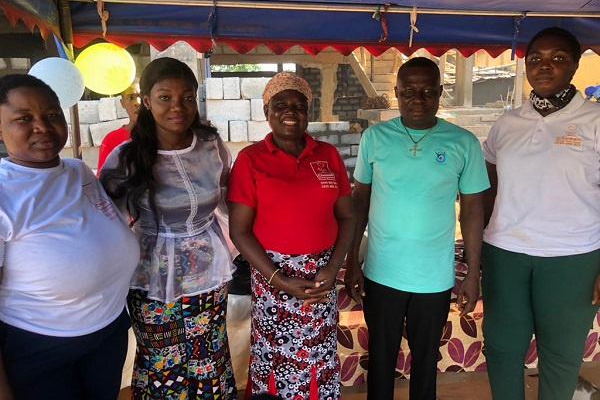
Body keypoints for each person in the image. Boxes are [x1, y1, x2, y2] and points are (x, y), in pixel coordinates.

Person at [344, 57, 490, 400]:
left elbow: (472, 209)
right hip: (381, 273)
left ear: (440, 93)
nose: (418, 98)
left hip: (434, 277)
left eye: (427, 90)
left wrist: (471, 272)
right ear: (396, 93)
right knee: (380, 360)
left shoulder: (463, 142)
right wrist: (353, 261)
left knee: (426, 363)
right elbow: (359, 202)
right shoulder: (375, 138)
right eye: (409, 90)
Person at [100, 57, 237, 399]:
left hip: (207, 271)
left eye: (187, 97)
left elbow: (227, 200)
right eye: (165, 97)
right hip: (150, 276)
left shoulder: (210, 146)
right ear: (146, 101)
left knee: (209, 355)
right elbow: (106, 218)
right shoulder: (126, 157)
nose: (178, 106)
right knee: (163, 361)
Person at [0, 74, 139, 399]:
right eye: (24, 118)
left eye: (51, 115)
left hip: (107, 331)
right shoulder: (5, 191)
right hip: (41, 345)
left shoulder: (77, 170)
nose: (42, 127)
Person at [482, 27, 600, 400]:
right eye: (536, 59)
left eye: (557, 58)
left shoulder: (595, 121)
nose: (544, 66)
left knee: (561, 356)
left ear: (575, 65)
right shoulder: (508, 122)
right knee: (502, 349)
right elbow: (488, 180)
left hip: (573, 258)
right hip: (505, 254)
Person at [227, 72, 355, 399]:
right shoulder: (251, 160)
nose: (290, 111)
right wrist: (279, 280)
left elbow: (347, 216)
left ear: (308, 113)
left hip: (320, 278)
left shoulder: (327, 155)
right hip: (272, 279)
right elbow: (239, 231)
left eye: (299, 106)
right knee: (277, 359)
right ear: (266, 111)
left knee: (317, 355)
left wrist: (332, 268)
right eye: (280, 104)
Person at [97, 80, 141, 171]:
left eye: (140, 96)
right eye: (130, 98)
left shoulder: (162, 134)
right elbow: (103, 178)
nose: (137, 102)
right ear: (122, 103)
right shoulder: (111, 139)